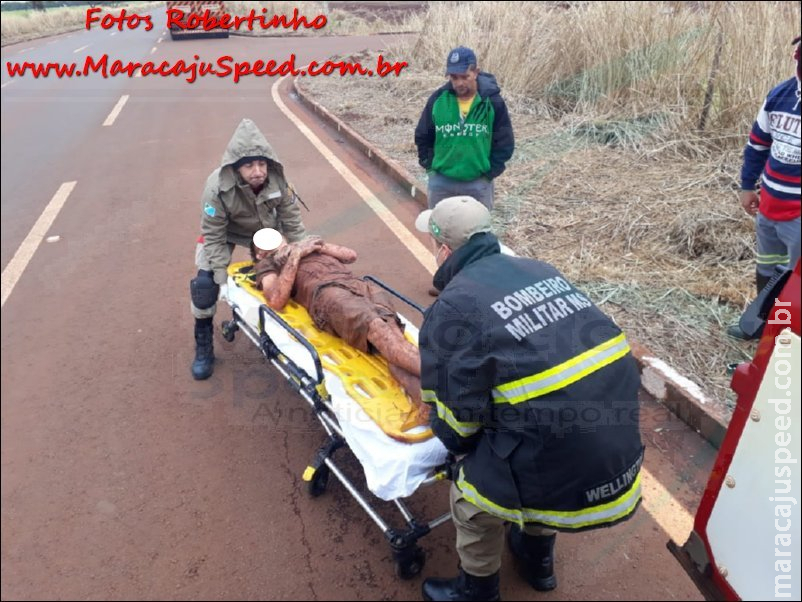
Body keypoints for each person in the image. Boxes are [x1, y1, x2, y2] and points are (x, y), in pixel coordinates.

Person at [414, 196, 644, 601]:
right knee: (540, 448)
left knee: (472, 496)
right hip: (619, 440)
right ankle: (538, 562)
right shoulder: (539, 269)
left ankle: (477, 592)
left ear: (445, 251)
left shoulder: (453, 306)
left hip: (563, 457)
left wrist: (461, 451)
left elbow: (458, 421)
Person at [250, 228, 426, 416]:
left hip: (358, 285)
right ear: (259, 253)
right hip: (328, 293)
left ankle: (425, 402)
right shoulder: (268, 265)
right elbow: (276, 299)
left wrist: (317, 246)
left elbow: (350, 255)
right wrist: (295, 256)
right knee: (382, 333)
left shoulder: (308, 246)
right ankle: (447, 379)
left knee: (393, 341)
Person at [190, 118, 308, 380]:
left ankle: (295, 334)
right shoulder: (216, 188)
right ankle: (203, 343)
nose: (258, 171)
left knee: (297, 271)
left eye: (262, 163)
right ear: (235, 167)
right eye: (249, 165)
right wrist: (221, 275)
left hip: (265, 230)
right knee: (204, 284)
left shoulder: (279, 181)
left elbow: (292, 221)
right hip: (227, 232)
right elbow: (213, 234)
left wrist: (302, 251)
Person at [728, 35, 801, 340]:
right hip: (769, 204)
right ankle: (760, 323)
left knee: (795, 280)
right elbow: (757, 145)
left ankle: (784, 337)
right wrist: (747, 186)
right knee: (768, 268)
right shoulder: (779, 95)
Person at [414, 46, 515, 212]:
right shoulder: (438, 100)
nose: (459, 83)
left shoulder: (493, 102)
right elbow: (423, 135)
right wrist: (430, 167)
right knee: (440, 233)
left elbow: (504, 142)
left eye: (464, 76)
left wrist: (489, 173)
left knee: (476, 236)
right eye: (454, 77)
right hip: (442, 182)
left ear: (476, 72)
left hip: (477, 184)